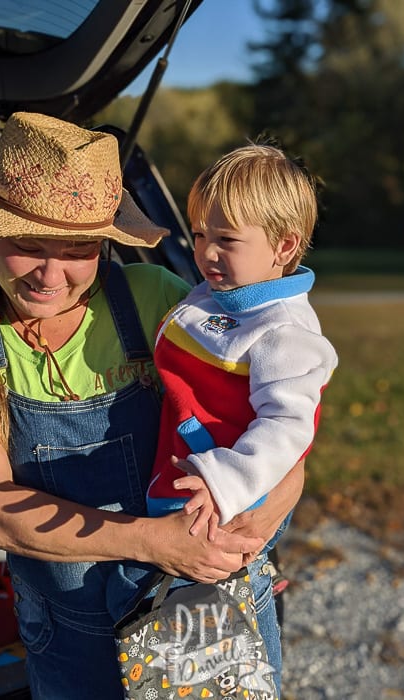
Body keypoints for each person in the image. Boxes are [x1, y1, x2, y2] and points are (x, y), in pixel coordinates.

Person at [0, 112, 304, 700]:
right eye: (26, 247)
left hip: (196, 612)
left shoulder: (157, 300)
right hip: (71, 634)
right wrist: (154, 540)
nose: (51, 274)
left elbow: (279, 434)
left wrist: (254, 534)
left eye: (78, 250)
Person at [148, 142, 337, 544]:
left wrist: (224, 482)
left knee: (202, 598)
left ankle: (254, 600)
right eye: (199, 234)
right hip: (185, 474)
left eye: (226, 240)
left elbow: (287, 428)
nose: (206, 252)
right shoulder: (219, 294)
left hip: (224, 496)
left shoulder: (283, 331)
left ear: (284, 246)